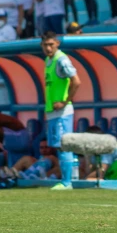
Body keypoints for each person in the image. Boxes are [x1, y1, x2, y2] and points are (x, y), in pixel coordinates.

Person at [41, 32, 81, 190]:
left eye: (51, 44)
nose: (48, 48)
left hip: (62, 112)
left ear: (57, 43)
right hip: (52, 110)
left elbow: (76, 81)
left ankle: (67, 182)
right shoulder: (48, 60)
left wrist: (65, 101)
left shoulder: (62, 59)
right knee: (58, 145)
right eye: (45, 45)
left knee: (64, 145)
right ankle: (65, 180)